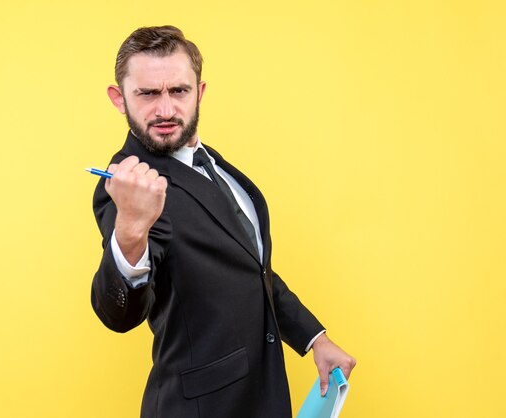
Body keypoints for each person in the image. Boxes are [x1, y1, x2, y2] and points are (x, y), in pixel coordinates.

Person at [90, 25, 356, 418]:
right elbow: (120, 313)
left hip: (260, 397)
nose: (165, 110)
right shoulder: (130, 186)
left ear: (199, 92)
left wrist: (314, 338)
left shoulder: (214, 164)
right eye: (147, 94)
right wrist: (131, 227)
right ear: (119, 98)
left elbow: (251, 268)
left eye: (178, 91)